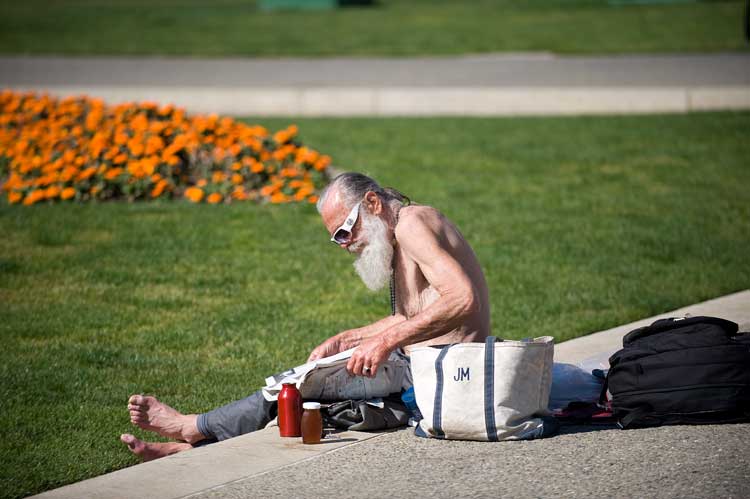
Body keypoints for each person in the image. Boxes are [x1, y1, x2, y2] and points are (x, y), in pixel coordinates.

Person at [121, 172, 491, 460]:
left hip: (444, 372)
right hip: (427, 364)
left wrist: (384, 341)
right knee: (303, 393)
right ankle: (192, 445)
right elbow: (420, 314)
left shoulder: (411, 225)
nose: (346, 244)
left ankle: (191, 427)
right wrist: (349, 338)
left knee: (296, 390)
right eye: (337, 239)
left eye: (346, 230)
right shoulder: (404, 229)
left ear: (373, 202)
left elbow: (462, 299)